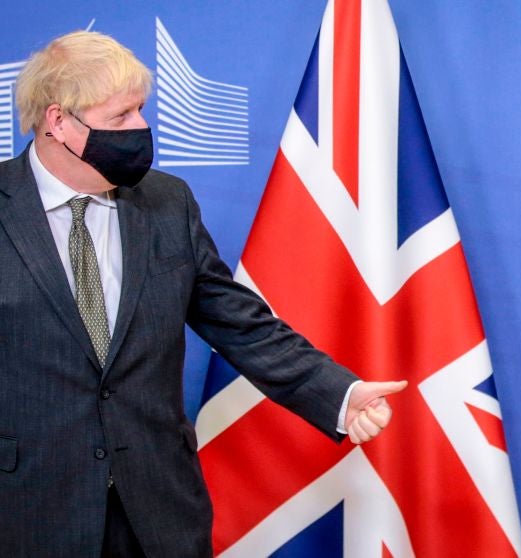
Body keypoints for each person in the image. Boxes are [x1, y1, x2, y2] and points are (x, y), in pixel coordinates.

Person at [0, 30, 407, 557]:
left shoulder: (167, 203)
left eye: (140, 110)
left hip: (159, 509)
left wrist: (338, 393)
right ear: (58, 122)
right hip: (28, 512)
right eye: (120, 117)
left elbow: (240, 323)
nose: (140, 128)